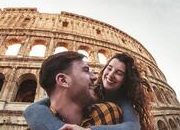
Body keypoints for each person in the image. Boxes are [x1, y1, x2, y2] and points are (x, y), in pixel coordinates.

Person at [25, 52, 153, 130]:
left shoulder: (122, 101)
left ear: (126, 80)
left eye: (119, 73)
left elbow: (132, 127)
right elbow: (33, 109)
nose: (110, 75)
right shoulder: (92, 90)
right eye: (109, 68)